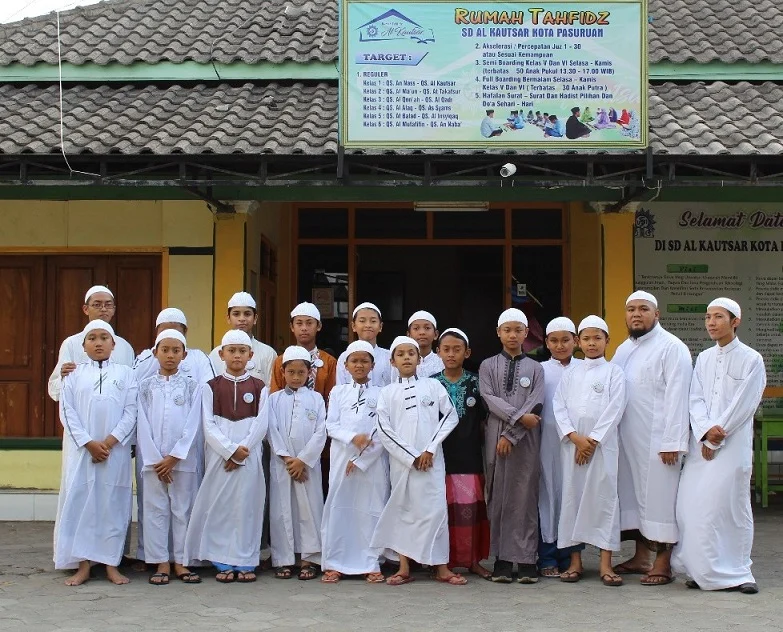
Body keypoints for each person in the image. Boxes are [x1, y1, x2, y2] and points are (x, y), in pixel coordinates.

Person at [672, 298, 765, 594]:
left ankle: (738, 572)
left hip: (732, 444)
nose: (711, 322)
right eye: (708, 317)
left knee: (728, 507)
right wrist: (703, 433)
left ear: (735, 321)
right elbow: (695, 398)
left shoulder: (752, 359)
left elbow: (745, 403)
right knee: (692, 507)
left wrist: (718, 436)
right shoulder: (704, 358)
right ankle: (701, 571)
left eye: (718, 317)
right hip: (701, 445)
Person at [611, 290, 693, 586]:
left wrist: (673, 440)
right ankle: (641, 556)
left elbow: (678, 396)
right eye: (630, 309)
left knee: (661, 500)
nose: (636, 314)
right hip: (627, 439)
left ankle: (663, 562)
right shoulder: (623, 349)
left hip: (660, 443)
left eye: (643, 309)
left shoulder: (672, 348)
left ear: (656, 314)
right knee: (633, 496)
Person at [49, 285, 135, 561]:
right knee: (80, 493)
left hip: (115, 441)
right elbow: (58, 390)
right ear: (85, 309)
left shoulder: (125, 347)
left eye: (108, 304)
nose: (103, 309)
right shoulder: (72, 343)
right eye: (97, 304)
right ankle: (77, 558)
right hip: (81, 439)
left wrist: (116, 439)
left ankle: (112, 557)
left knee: (113, 497)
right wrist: (87, 441)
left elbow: (130, 400)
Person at [372, 336, 462, 586]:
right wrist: (411, 456)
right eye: (400, 354)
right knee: (404, 511)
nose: (406, 358)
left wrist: (430, 449)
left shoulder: (433, 387)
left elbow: (450, 416)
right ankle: (403, 567)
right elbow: (384, 428)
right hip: (403, 464)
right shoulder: (387, 393)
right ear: (392, 361)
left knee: (435, 511)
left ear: (420, 359)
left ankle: (441, 567)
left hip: (432, 461)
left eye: (411, 353)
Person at [184, 330, 268, 583]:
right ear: (221, 354)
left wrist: (241, 451)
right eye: (231, 351)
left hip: (249, 457)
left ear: (250, 355)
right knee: (220, 507)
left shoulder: (260, 386)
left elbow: (261, 424)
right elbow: (208, 425)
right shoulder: (210, 387)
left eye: (242, 351)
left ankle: (245, 561)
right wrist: (229, 451)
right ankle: (221, 561)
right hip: (219, 458)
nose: (237, 356)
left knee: (246, 507)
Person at [132, 307, 213, 565]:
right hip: (152, 462)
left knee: (183, 509)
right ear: (155, 351)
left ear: (184, 353)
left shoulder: (192, 385)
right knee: (154, 510)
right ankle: (159, 562)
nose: (169, 355)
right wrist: (157, 458)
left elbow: (193, 423)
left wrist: (176, 456)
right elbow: (141, 423)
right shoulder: (145, 385)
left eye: (175, 350)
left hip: (184, 459)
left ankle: (182, 561)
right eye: (164, 349)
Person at [554, 316, 627, 587]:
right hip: (572, 449)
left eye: (597, 338)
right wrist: (576, 439)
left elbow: (615, 409)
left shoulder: (614, 373)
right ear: (577, 342)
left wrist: (592, 441)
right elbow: (558, 407)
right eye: (586, 338)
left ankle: (606, 564)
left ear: (608, 341)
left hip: (603, 450)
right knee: (573, 499)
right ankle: (575, 562)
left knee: (604, 500)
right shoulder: (570, 373)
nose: (592, 343)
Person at [479, 308, 544, 583]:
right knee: (498, 496)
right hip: (495, 437)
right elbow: (489, 399)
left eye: (518, 330)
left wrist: (512, 435)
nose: (512, 335)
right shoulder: (487, 366)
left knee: (525, 497)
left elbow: (536, 404)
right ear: (498, 333)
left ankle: (527, 560)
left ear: (526, 333)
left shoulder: (536, 368)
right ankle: (502, 560)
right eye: (507, 330)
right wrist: (514, 423)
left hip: (525, 442)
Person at [321, 341, 389, 584]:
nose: (359, 365)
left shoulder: (382, 393)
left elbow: (383, 431)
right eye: (354, 361)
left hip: (372, 463)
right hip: (342, 459)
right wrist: (353, 438)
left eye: (364, 361)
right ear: (346, 365)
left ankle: (371, 562)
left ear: (372, 365)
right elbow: (331, 426)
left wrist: (362, 460)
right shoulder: (338, 392)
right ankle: (335, 562)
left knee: (370, 510)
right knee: (340, 508)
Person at [433, 328, 491, 580]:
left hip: (470, 457)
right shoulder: (432, 384)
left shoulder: (477, 383)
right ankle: (441, 561)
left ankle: (473, 561)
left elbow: (486, 420)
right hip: (441, 458)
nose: (451, 354)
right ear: (438, 352)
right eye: (446, 349)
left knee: (470, 511)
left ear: (467, 352)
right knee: (443, 511)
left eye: (457, 349)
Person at [266, 346, 327, 581]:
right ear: (282, 372)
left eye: (301, 372)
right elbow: (271, 430)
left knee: (309, 510)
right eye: (291, 372)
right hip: (282, 465)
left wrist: (303, 460)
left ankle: (309, 559)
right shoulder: (273, 400)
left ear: (309, 373)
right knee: (282, 510)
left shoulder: (316, 399)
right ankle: (283, 559)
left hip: (307, 466)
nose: (295, 377)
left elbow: (321, 430)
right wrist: (287, 459)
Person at [538, 317, 583, 578]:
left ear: (575, 341)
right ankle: (547, 556)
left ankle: (570, 555)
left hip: (577, 443)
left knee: (572, 494)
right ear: (546, 343)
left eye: (565, 339)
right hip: (547, 441)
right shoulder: (539, 369)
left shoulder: (584, 368)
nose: (560, 345)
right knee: (548, 495)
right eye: (554, 340)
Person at [269, 302, 337, 401]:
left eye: (309, 323)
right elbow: (274, 398)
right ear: (292, 327)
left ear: (319, 326)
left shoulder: (329, 362)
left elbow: (332, 399)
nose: (304, 328)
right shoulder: (281, 361)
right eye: (299, 323)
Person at [209, 292, 277, 386]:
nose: (242, 319)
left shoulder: (268, 353)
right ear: (228, 318)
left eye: (247, 314)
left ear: (255, 318)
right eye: (236, 314)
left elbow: (270, 390)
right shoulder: (215, 354)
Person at [134, 308, 214, 385]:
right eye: (165, 332)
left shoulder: (200, 358)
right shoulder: (145, 360)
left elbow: (209, 390)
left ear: (185, 331)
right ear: (157, 332)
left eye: (175, 332)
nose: (170, 336)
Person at [336, 302, 391, 387]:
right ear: (353, 326)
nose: (368, 325)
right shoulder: (345, 356)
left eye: (373, 321)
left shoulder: (389, 357)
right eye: (362, 321)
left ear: (380, 326)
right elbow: (341, 388)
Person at [390, 310, 444, 381]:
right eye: (416, 328)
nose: (422, 332)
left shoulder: (442, 361)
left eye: (427, 328)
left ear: (436, 334)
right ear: (408, 335)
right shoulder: (400, 361)